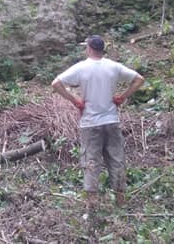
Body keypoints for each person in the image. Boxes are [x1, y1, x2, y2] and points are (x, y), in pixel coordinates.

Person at [52, 35, 145, 207]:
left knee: (91, 161)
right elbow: (139, 79)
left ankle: (92, 204)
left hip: (90, 123)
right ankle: (120, 201)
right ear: (102, 49)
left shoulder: (81, 68)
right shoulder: (114, 67)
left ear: (88, 48)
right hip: (111, 121)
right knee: (116, 159)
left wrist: (75, 101)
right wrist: (123, 97)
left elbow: (56, 83)